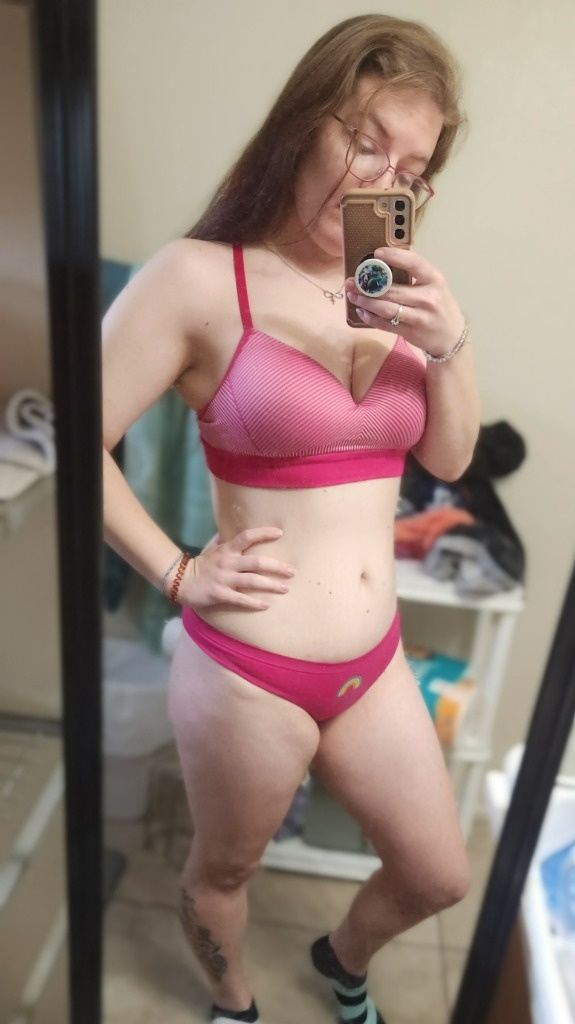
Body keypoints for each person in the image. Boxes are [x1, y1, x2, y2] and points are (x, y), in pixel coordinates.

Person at [102, 13, 481, 1024]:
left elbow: (447, 459)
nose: (384, 181)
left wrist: (448, 342)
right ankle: (233, 1002)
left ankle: (340, 956)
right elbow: (75, 437)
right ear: (302, 123)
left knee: (438, 873)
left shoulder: (390, 291)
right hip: (248, 670)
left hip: (374, 662)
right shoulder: (197, 277)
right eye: (365, 141)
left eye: (412, 169)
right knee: (224, 869)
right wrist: (177, 572)